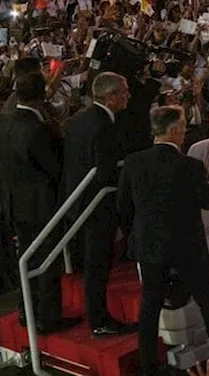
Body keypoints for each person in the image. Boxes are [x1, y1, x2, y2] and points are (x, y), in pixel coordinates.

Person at [118, 106, 209, 376]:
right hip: (187, 245)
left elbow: (123, 205)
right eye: (183, 127)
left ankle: (149, 366)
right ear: (174, 131)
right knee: (207, 299)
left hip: (149, 246)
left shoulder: (133, 162)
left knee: (150, 305)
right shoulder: (189, 166)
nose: (185, 132)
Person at [61, 71, 134, 337]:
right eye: (124, 92)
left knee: (95, 265)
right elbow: (106, 173)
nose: (128, 96)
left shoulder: (79, 119)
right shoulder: (104, 126)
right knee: (98, 266)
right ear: (111, 97)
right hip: (96, 206)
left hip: (81, 203)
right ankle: (100, 321)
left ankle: (99, 318)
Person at [0, 72, 69, 333]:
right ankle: (47, 317)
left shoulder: (4, 122)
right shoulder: (38, 130)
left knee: (25, 259)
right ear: (43, 96)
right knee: (46, 260)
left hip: (14, 205)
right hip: (41, 206)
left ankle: (25, 310)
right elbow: (54, 168)